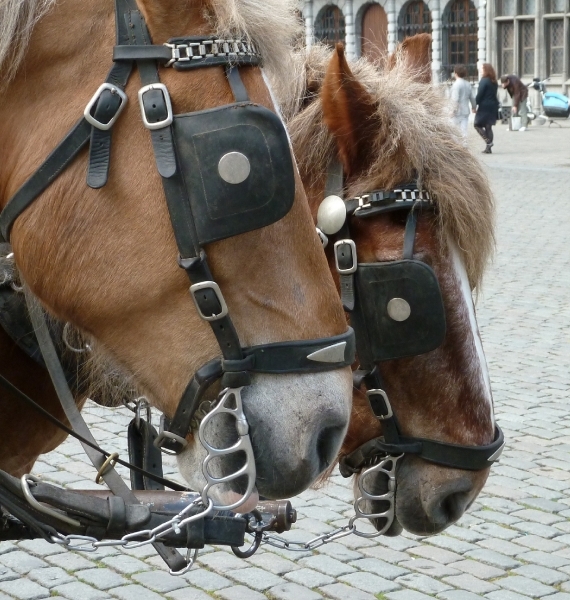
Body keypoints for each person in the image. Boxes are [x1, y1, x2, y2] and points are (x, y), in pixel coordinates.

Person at [474, 63, 500, 154]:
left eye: (482, 69)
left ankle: (488, 142)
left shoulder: (484, 80)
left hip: (484, 106)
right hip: (493, 106)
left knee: (476, 125)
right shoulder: (494, 81)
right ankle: (488, 148)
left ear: (486, 70)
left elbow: (480, 94)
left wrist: (475, 104)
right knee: (488, 126)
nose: (480, 71)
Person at [450, 64, 476, 138]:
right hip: (465, 111)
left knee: (454, 132)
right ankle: (464, 146)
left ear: (456, 73)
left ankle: (456, 147)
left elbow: (455, 99)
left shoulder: (456, 85)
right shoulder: (468, 84)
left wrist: (452, 110)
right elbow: (472, 97)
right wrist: (474, 107)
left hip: (457, 112)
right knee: (464, 131)